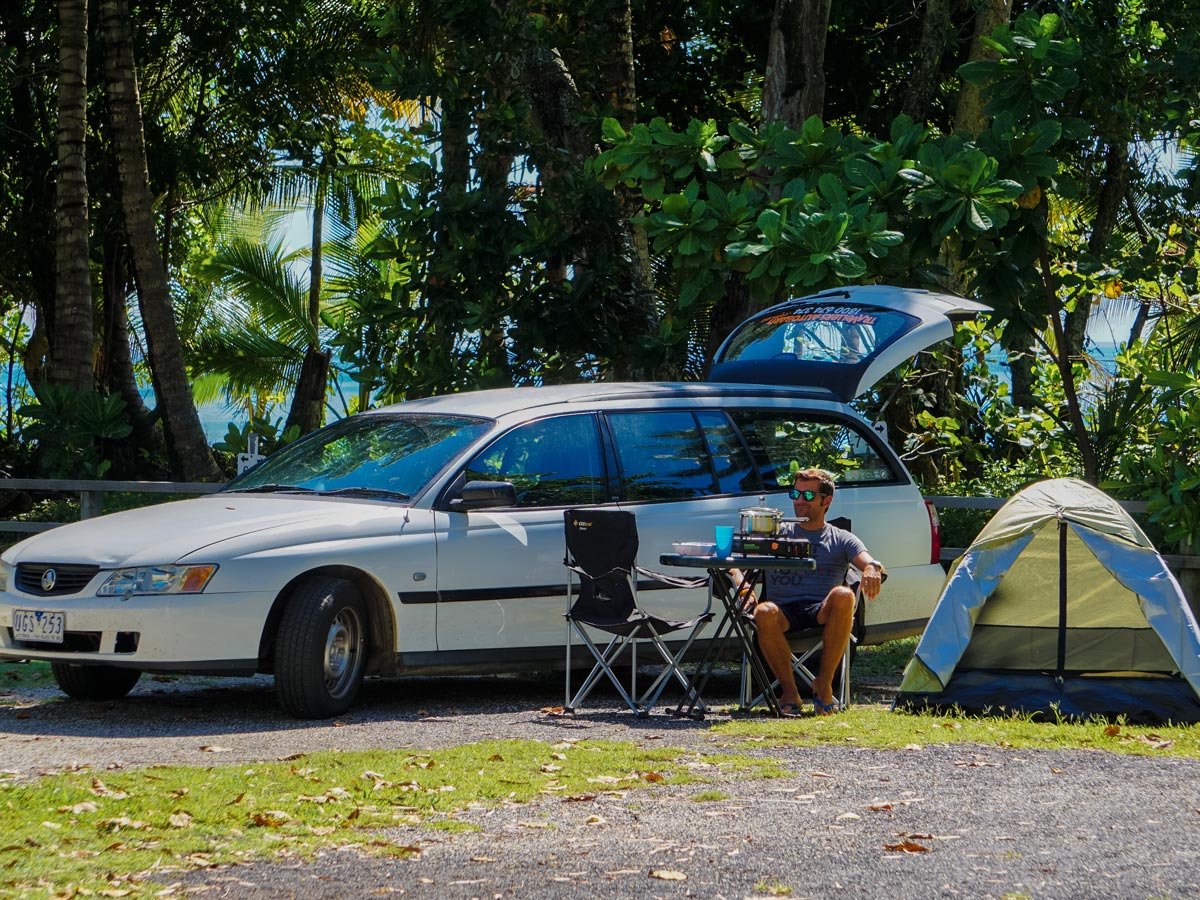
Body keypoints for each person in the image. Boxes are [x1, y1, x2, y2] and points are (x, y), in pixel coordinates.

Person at [734, 468, 884, 716]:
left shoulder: (841, 538)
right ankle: (790, 692)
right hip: (782, 610)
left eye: (808, 496)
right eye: (795, 494)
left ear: (826, 501)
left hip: (820, 610)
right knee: (763, 611)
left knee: (844, 594)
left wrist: (872, 568)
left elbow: (869, 561)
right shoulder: (776, 532)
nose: (799, 501)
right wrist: (744, 587)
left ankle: (824, 683)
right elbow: (735, 564)